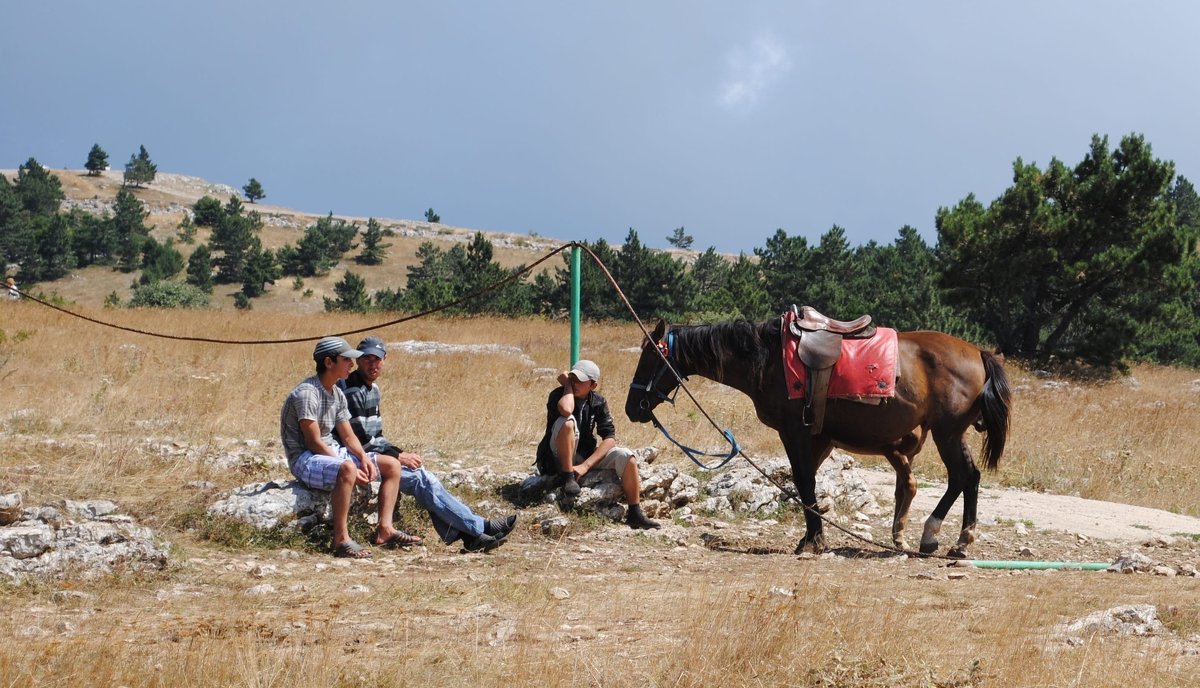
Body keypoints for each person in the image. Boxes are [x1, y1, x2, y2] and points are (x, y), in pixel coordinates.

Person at [340, 336, 516, 551]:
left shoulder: (372, 390)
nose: (372, 364)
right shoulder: (353, 391)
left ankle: (467, 535)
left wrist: (400, 453)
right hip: (359, 459)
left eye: (376, 359)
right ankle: (479, 528)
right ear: (358, 360)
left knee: (423, 475)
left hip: (373, 456)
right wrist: (399, 456)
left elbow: (377, 436)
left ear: (384, 359)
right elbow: (362, 442)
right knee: (421, 480)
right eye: (367, 359)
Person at [280, 336, 419, 558]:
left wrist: (363, 457)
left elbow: (347, 434)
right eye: (346, 360)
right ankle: (340, 539)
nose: (352, 365)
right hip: (305, 458)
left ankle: (385, 529)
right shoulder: (307, 393)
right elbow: (313, 442)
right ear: (329, 362)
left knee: (392, 465)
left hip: (331, 452)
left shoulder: (335, 393)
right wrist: (349, 467)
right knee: (346, 468)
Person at [536, 359, 660, 529]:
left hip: (583, 456)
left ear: (593, 385)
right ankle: (567, 477)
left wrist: (586, 465)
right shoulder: (559, 395)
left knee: (627, 456)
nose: (575, 382)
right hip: (555, 456)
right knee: (567, 422)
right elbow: (566, 410)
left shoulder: (598, 402)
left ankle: (634, 512)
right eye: (572, 378)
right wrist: (568, 386)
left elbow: (609, 438)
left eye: (580, 380)